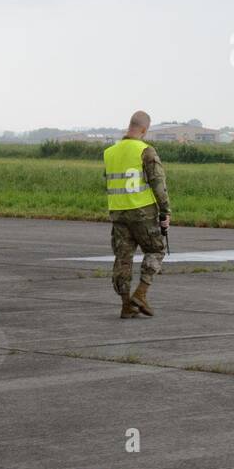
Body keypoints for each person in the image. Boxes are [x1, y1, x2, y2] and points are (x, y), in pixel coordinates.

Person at [103, 110, 171, 318]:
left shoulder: (109, 152)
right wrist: (165, 211)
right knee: (156, 250)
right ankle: (141, 293)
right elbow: (158, 184)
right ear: (145, 129)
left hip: (118, 213)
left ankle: (126, 304)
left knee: (123, 258)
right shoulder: (146, 151)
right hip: (142, 211)